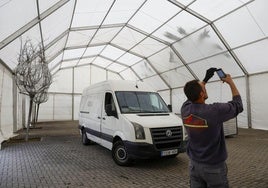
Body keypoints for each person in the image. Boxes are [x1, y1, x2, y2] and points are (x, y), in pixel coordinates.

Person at [181, 68, 243, 188]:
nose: (205, 88)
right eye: (204, 88)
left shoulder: (185, 109)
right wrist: (230, 82)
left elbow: (192, 95)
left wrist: (205, 80)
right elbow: (238, 105)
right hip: (213, 168)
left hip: (194, 166)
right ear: (201, 94)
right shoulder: (214, 111)